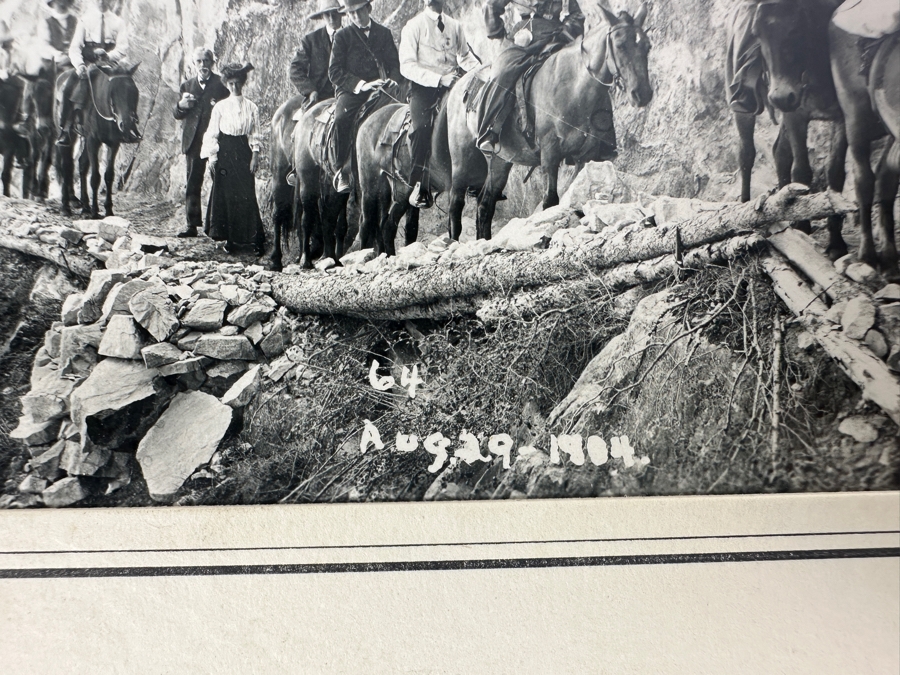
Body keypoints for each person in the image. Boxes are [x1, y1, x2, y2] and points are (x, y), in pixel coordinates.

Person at [399, 0, 479, 208]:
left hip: (453, 84)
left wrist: (480, 70)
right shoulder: (413, 26)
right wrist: (438, 79)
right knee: (421, 127)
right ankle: (419, 184)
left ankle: (477, 178)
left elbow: (465, 56)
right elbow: (407, 65)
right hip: (424, 88)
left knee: (475, 115)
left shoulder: (455, 25)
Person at [476, 0, 583, 153]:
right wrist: (500, 35)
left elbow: (577, 14)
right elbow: (491, 5)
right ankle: (491, 129)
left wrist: (566, 31)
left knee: (584, 64)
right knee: (505, 71)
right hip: (524, 34)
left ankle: (600, 133)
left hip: (557, 34)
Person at [328, 0, 402, 193]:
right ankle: (341, 169)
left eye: (360, 11)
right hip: (352, 90)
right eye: (351, 13)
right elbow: (334, 71)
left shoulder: (384, 33)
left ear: (369, 8)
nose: (356, 16)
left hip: (382, 88)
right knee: (341, 118)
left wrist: (393, 80)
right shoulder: (342, 36)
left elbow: (394, 64)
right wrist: (361, 85)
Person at [199, 63, 265, 256]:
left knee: (246, 194)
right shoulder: (220, 107)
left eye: (237, 83)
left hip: (243, 151)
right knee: (227, 196)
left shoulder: (252, 107)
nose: (234, 87)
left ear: (242, 83)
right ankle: (230, 239)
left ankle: (253, 239)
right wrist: (212, 158)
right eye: (231, 83)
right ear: (226, 84)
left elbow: (255, 133)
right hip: (225, 152)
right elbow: (212, 133)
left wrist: (255, 156)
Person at [173, 48, 230, 238]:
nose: (203, 65)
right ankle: (192, 225)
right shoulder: (187, 85)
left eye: (206, 61)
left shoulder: (221, 84)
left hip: (216, 140)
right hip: (194, 141)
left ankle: (218, 225)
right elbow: (177, 114)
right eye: (199, 61)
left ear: (213, 63)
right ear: (194, 63)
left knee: (220, 180)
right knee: (192, 182)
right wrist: (181, 106)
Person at [58, 0, 130, 146]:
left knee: (126, 85)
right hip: (88, 62)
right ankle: (67, 127)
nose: (101, 2)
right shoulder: (85, 20)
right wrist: (79, 65)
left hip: (109, 63)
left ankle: (128, 125)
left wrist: (108, 55)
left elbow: (122, 48)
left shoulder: (118, 22)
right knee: (70, 87)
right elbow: (75, 48)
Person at [290, 0, 343, 110]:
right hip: (319, 97)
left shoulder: (352, 37)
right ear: (322, 16)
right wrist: (311, 91)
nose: (332, 18)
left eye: (334, 13)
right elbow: (295, 69)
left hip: (347, 96)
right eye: (327, 14)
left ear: (341, 13)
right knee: (308, 119)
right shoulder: (311, 40)